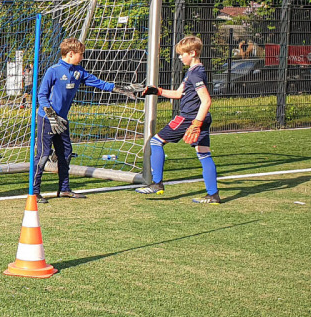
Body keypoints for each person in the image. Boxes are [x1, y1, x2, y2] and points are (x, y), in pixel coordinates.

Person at [135, 35, 220, 203]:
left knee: (156, 142)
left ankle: (156, 184)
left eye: (183, 54)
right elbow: (178, 94)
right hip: (199, 118)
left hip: (189, 117)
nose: (180, 57)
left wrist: (195, 124)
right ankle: (213, 195)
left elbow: (206, 100)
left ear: (193, 53)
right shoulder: (193, 71)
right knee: (204, 154)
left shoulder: (195, 74)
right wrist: (157, 91)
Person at [34, 38, 117, 203]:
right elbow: (42, 95)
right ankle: (34, 192)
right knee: (43, 155)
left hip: (62, 121)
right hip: (47, 119)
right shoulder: (53, 70)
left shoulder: (78, 71)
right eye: (81, 54)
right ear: (70, 54)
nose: (82, 57)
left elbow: (98, 83)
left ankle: (64, 189)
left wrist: (117, 88)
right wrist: (51, 114)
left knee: (65, 153)